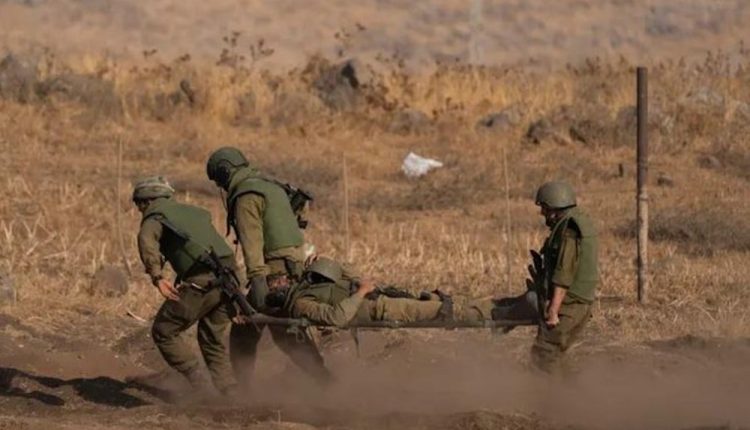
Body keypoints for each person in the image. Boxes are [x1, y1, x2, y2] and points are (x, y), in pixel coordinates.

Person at [205, 147, 330, 385]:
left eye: (218, 180)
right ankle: (324, 379)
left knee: (254, 331)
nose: (220, 186)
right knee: (284, 331)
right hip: (294, 265)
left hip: (274, 272)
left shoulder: (246, 196)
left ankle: (244, 390)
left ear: (224, 172)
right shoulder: (270, 186)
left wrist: (258, 281)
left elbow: (252, 243)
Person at [133, 176, 238, 394]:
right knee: (212, 339)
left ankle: (202, 388)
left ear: (147, 201)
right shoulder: (192, 212)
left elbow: (146, 241)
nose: (139, 210)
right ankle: (230, 392)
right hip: (232, 280)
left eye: (139, 205)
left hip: (202, 281)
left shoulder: (155, 216)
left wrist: (157, 277)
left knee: (164, 331)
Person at [269, 256, 538, 327]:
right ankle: (509, 314)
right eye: (275, 284)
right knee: (443, 311)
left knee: (445, 299)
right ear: (278, 295)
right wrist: (361, 293)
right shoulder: (301, 303)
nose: (281, 280)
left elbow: (353, 276)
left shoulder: (308, 284)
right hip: (380, 308)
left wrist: (327, 264)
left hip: (381, 296)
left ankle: (509, 304)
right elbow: (336, 317)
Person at [529, 181, 599, 373]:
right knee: (555, 358)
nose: (542, 213)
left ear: (553, 208)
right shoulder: (580, 221)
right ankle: (568, 390)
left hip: (569, 305)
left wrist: (553, 310)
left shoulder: (569, 230)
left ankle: (551, 393)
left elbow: (564, 273)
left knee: (543, 356)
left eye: (544, 208)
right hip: (580, 303)